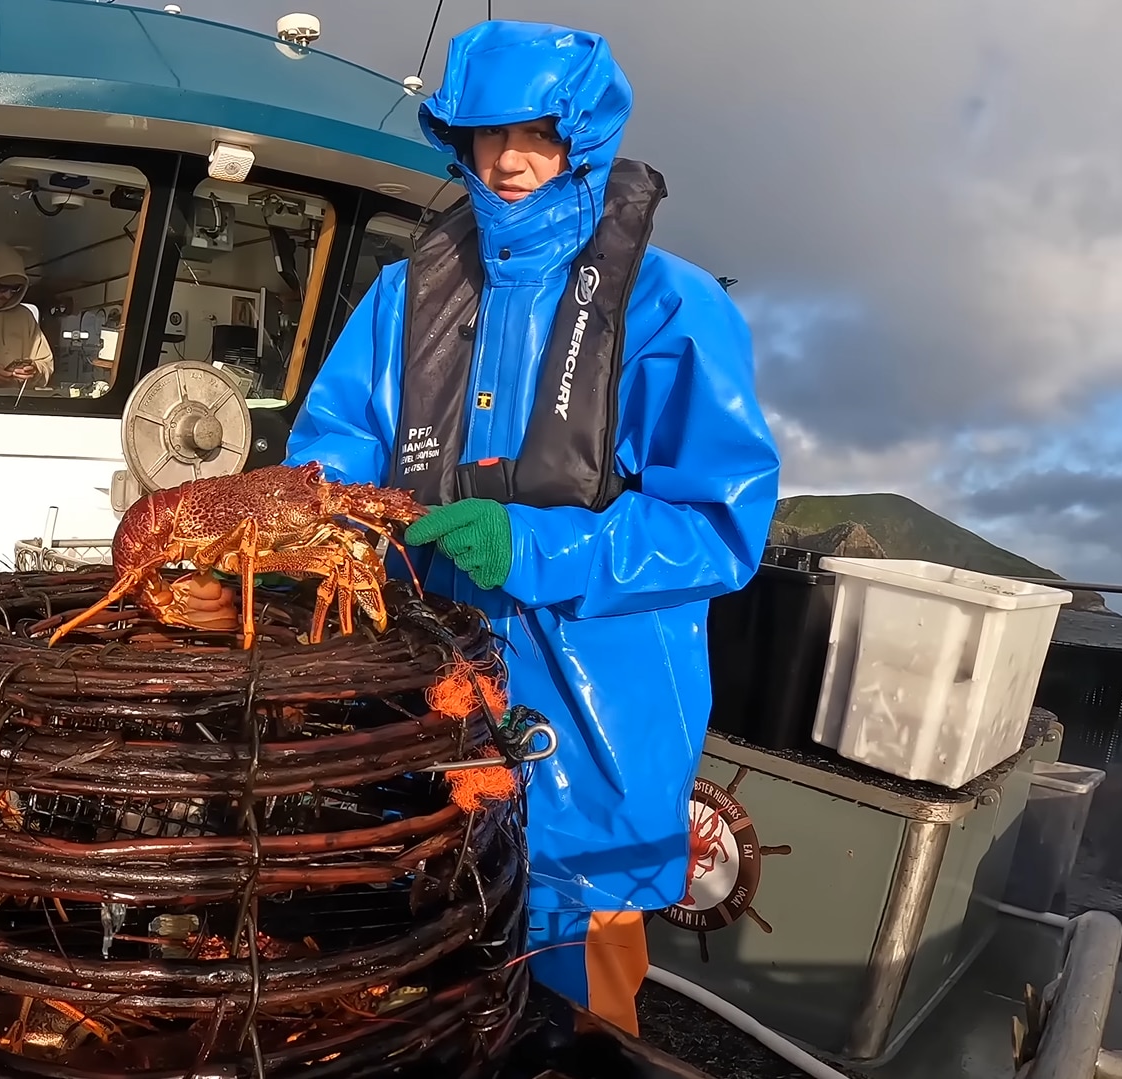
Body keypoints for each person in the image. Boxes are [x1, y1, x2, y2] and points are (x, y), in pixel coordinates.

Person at [283, 20, 780, 1036]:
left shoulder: (666, 303)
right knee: (418, 985)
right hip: (424, 718)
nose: (508, 161)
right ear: (453, 139)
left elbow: (716, 528)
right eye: (484, 134)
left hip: (596, 739)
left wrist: (534, 545)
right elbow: (326, 460)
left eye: (536, 135)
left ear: (582, 139)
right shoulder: (399, 298)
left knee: (579, 1017)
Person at [0, 241, 55, 391]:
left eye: (15, 289)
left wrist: (34, 371)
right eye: (2, 287)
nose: (7, 295)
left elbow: (45, 364)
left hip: (15, 408)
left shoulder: (25, 317)